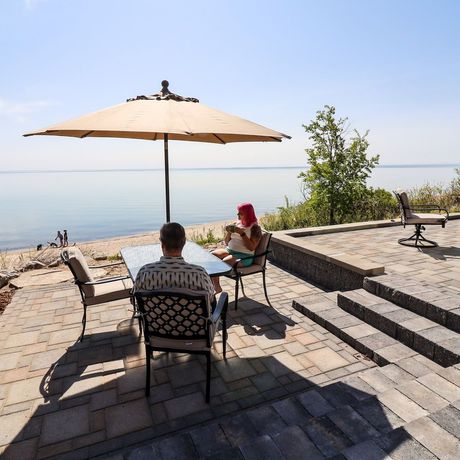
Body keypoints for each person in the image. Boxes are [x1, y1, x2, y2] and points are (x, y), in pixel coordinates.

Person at [134, 222, 215, 305]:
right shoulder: (199, 274)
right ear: (184, 243)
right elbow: (211, 298)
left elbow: (135, 300)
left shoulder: (145, 272)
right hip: (192, 317)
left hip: (155, 317)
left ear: (162, 244)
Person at [212, 202, 262, 293]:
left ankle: (216, 287)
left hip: (244, 255)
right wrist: (229, 232)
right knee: (211, 257)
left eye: (241, 213)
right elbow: (226, 242)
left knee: (221, 264)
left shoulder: (255, 228)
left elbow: (251, 247)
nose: (238, 214)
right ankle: (215, 285)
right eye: (238, 212)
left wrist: (242, 234)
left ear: (248, 214)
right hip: (230, 250)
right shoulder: (237, 223)